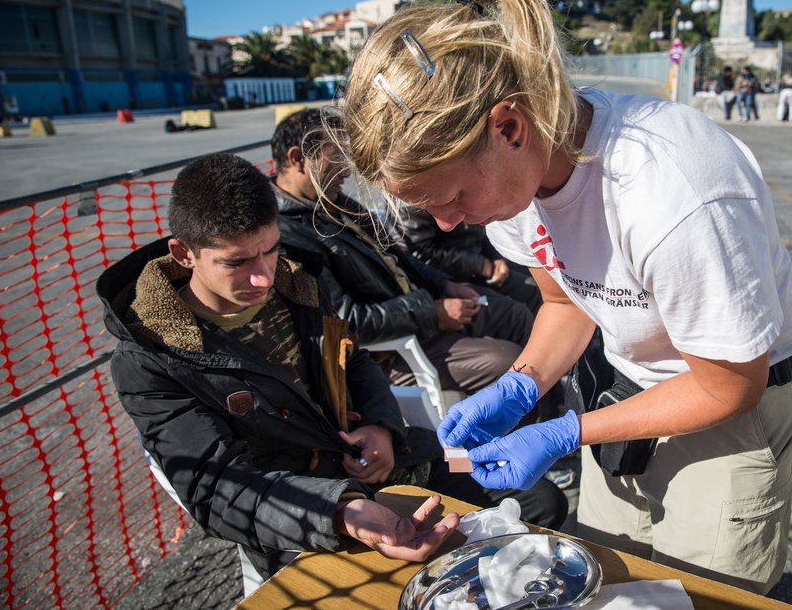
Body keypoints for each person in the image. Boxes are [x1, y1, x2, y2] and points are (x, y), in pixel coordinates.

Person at [337, 0, 792, 595]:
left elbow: (729, 386)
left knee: (701, 593)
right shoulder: (517, 183)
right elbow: (568, 301)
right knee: (611, 581)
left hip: (725, 405)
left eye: (448, 196)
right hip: (629, 389)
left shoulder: (673, 191)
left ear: (508, 127)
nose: (448, 225)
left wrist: (564, 431)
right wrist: (520, 385)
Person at [96, 153, 564, 583]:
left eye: (270, 249)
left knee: (539, 500)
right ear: (184, 254)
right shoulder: (151, 358)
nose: (262, 276)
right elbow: (214, 487)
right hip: (300, 517)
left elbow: (352, 357)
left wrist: (381, 426)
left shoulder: (296, 285)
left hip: (387, 465)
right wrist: (341, 511)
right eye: (236, 263)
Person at [270, 108, 536, 396]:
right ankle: (532, 433)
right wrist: (430, 313)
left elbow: (398, 257)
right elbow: (345, 321)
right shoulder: (289, 237)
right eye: (335, 156)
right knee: (508, 363)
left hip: (420, 313)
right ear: (298, 159)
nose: (347, 171)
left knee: (516, 316)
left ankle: (551, 423)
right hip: (392, 351)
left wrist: (444, 284)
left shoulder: (336, 205)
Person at [398, 206, 542, 313]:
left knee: (536, 286)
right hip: (455, 278)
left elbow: (482, 229)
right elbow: (422, 252)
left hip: (486, 265)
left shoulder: (459, 187)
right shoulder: (410, 204)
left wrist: (496, 258)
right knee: (516, 311)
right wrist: (481, 266)